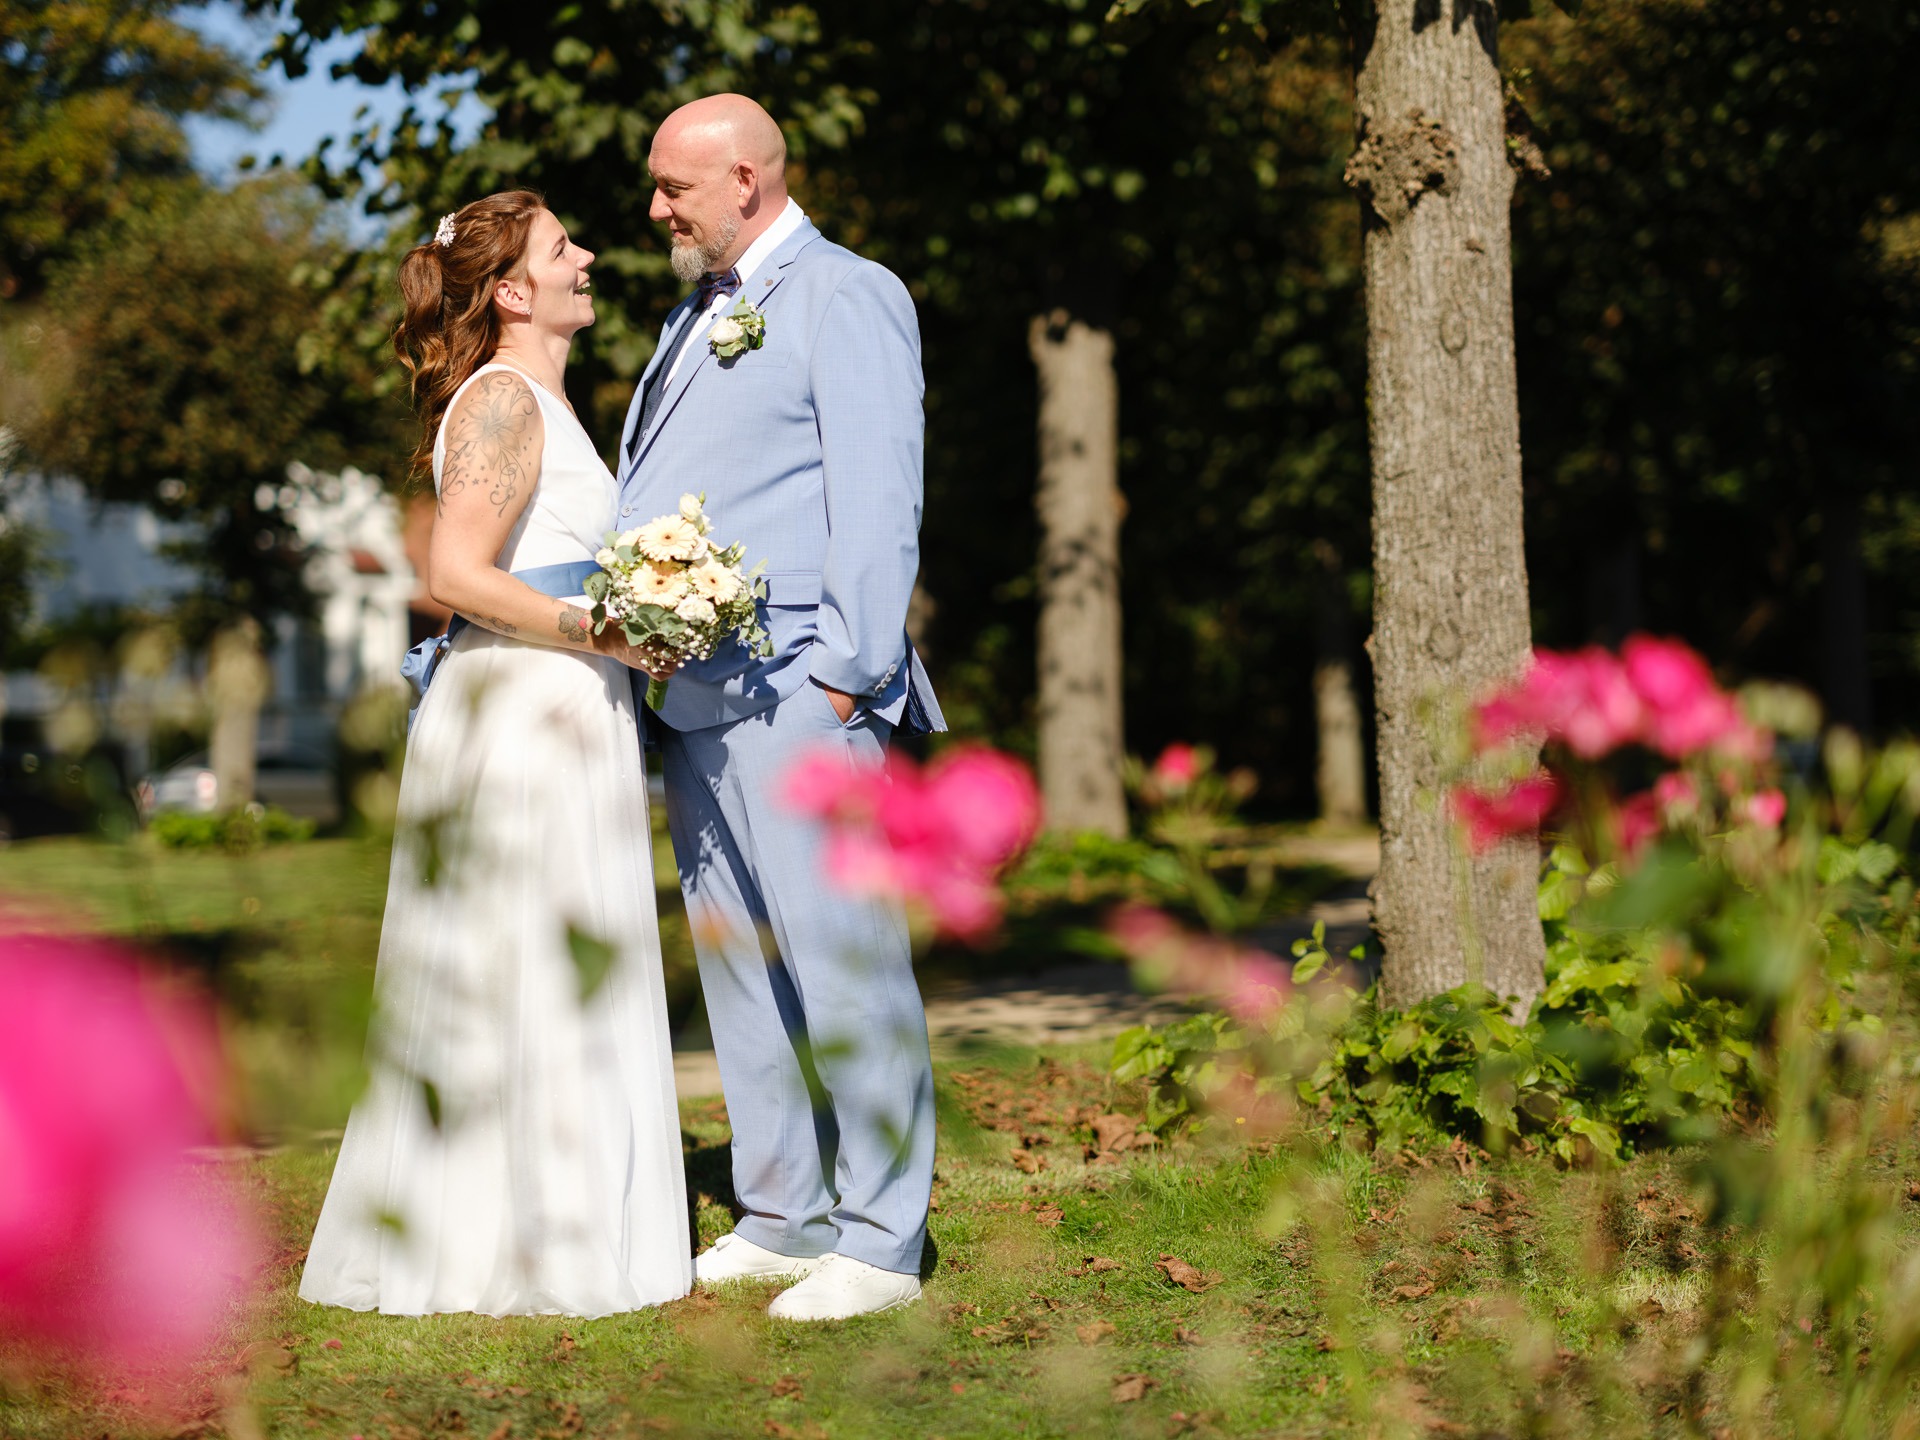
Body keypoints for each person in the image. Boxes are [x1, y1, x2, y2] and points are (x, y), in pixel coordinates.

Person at [299, 192, 691, 1316]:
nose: (590, 259)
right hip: (525, 701)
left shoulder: (543, 401)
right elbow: (455, 576)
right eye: (564, 248)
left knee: (554, 956)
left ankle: (553, 1224)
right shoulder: (505, 399)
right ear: (513, 289)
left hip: (563, 697)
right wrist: (599, 629)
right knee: (516, 958)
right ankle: (505, 1245)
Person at [616, 95, 948, 1321]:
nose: (656, 209)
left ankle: (880, 1235)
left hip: (803, 686)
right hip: (698, 695)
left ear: (746, 179)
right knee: (740, 964)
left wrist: (847, 673)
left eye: (674, 188)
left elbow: (878, 492)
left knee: (844, 961)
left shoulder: (844, 293)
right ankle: (783, 1210)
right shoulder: (689, 312)